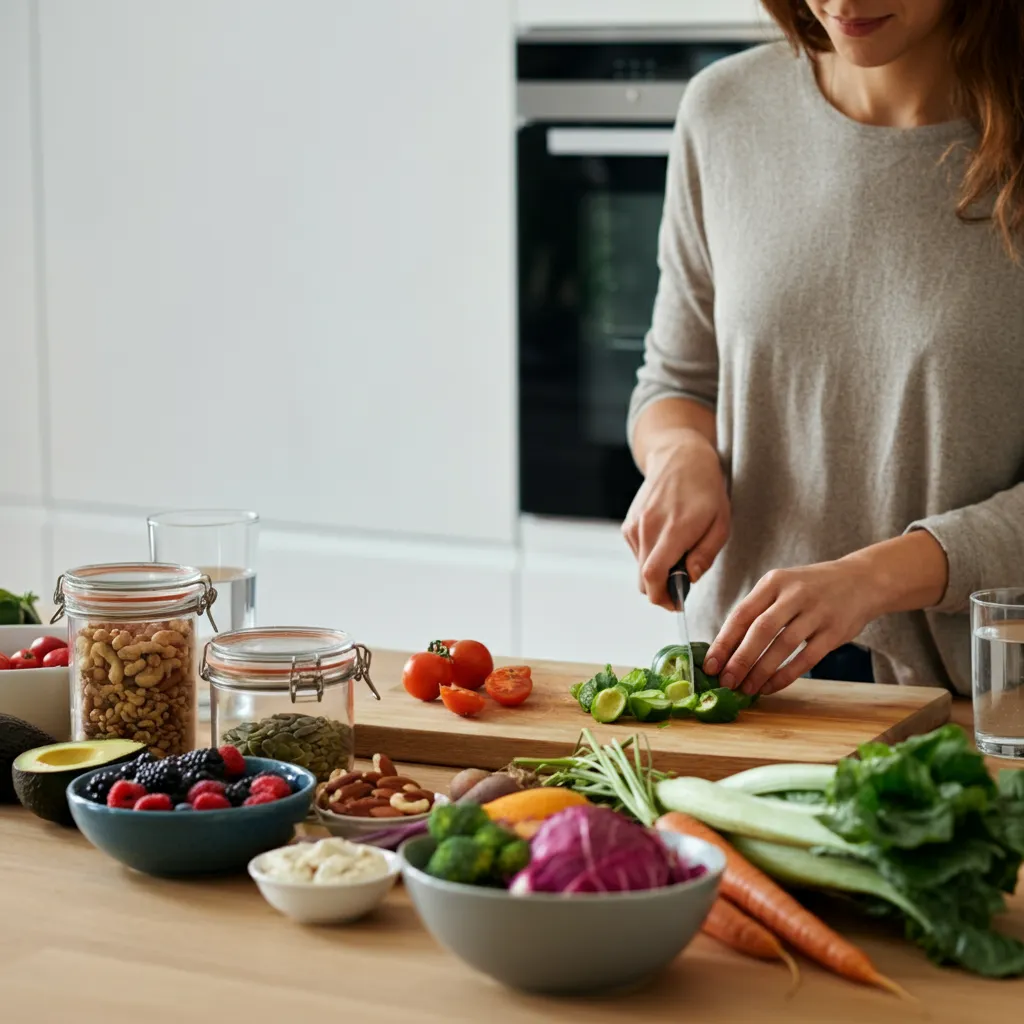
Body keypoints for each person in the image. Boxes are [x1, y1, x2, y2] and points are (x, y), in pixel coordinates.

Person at [623, 1, 1024, 698]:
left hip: (975, 712)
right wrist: (679, 455)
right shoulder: (726, 109)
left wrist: (873, 578)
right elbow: (676, 383)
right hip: (744, 694)